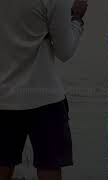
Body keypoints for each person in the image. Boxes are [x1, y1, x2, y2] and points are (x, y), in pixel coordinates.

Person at [0, 0, 88, 179]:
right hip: (46, 100)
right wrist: (77, 18)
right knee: (49, 165)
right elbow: (65, 51)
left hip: (3, 97)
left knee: (2, 162)